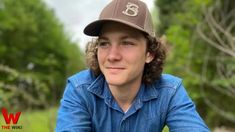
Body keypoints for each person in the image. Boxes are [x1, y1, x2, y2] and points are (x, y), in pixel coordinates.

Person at [55, 0, 210, 131]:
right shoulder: (80, 89)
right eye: (104, 43)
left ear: (149, 53)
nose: (112, 56)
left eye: (127, 43)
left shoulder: (170, 91)